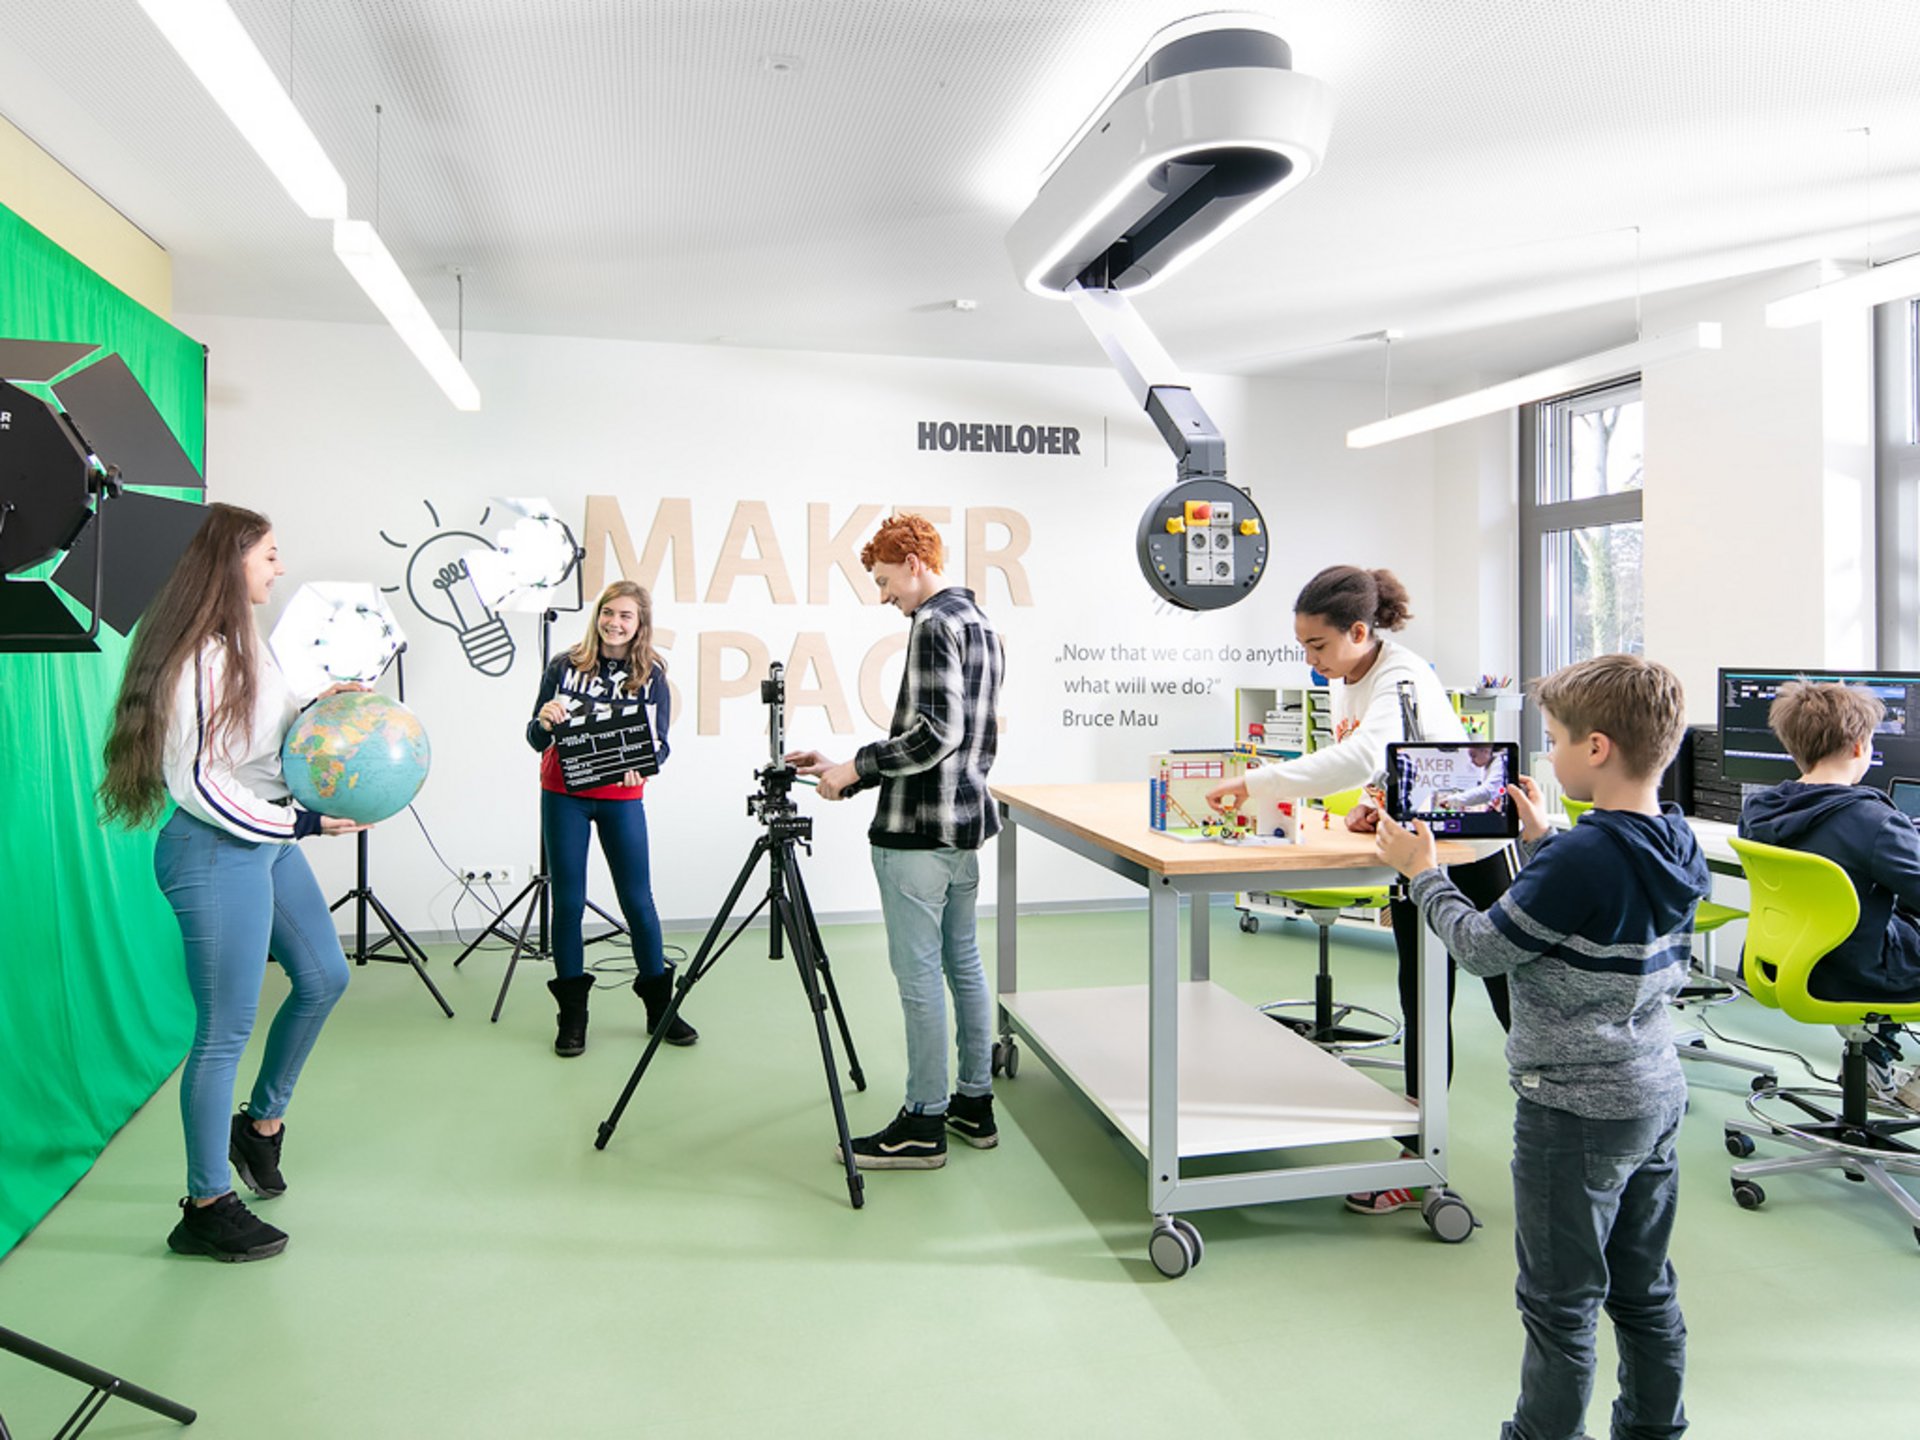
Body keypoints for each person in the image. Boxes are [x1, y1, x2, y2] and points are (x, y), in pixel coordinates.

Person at [1376, 653, 1705, 1440]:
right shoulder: (1676, 840)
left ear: (1597, 749)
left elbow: (1485, 949)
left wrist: (1422, 873)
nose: (1547, 756)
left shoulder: (1580, 856)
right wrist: (1541, 840)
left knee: (1560, 1305)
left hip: (1573, 1111)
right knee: (1644, 1288)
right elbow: (1590, 902)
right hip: (1652, 1093)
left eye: (1554, 740)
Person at [99, 503, 364, 1263]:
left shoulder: (243, 644)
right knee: (224, 1033)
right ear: (230, 561)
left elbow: (266, 746)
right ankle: (206, 1204)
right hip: (214, 853)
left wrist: (320, 710)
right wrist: (303, 827)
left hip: (261, 844)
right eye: (270, 554)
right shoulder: (197, 661)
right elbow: (201, 786)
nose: (279, 567)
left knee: (322, 978)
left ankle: (261, 1125)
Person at [1204, 564, 1512, 1213]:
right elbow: (1393, 767)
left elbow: (1366, 754)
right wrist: (1372, 806)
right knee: (1423, 996)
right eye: (1302, 647)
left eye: (1318, 645)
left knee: (1516, 997)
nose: (1310, 659)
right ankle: (1417, 1159)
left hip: (1472, 849)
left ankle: (1574, 1127)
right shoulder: (1352, 678)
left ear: (1359, 630)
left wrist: (1261, 781)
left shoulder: (1399, 673)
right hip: (1417, 850)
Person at [785, 513, 1004, 1170]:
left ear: (913, 564)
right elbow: (962, 738)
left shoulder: (935, 624)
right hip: (963, 829)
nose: (883, 596)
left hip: (916, 840)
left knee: (918, 978)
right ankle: (974, 1102)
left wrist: (857, 768)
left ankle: (922, 1122)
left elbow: (936, 733)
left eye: (884, 581)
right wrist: (842, 770)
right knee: (962, 964)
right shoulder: (981, 624)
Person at [527, 580, 693, 1057]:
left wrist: (643, 765)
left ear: (640, 624)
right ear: (597, 614)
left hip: (622, 798)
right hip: (564, 795)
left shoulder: (652, 674)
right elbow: (534, 738)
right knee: (569, 903)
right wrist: (544, 721)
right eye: (608, 612)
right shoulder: (563, 666)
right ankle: (572, 1015)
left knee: (639, 902)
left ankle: (659, 1006)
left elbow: (659, 745)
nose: (614, 623)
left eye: (626, 616)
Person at [1738, 680, 1920, 1100]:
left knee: (1894, 922)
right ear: (1860, 746)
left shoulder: (1759, 812)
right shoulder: (1874, 822)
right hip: (1857, 974)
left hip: (1790, 966)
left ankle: (1874, 1057)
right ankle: (1881, 1055)